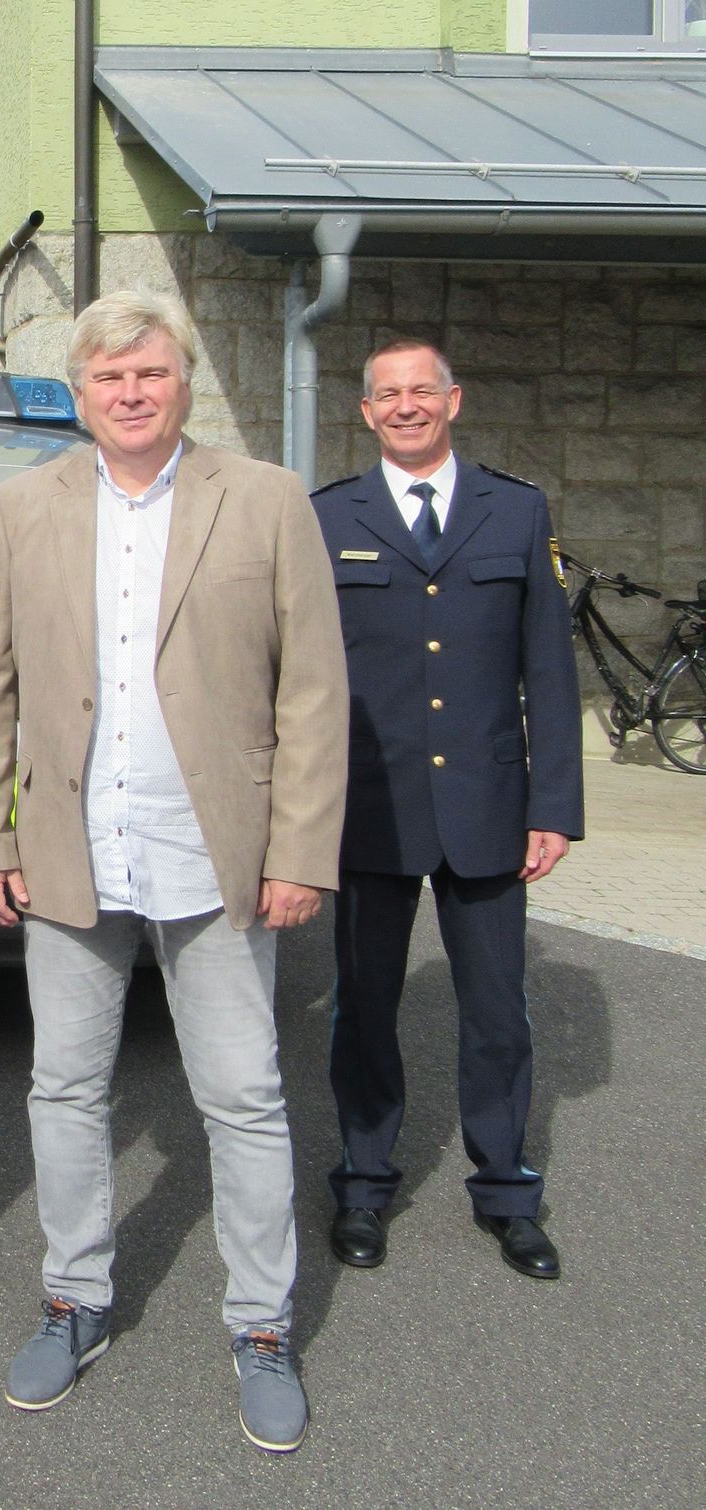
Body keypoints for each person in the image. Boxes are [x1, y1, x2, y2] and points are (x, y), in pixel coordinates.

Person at [0, 290, 348, 1452]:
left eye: (151, 374)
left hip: (220, 857)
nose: (131, 394)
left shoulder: (267, 500)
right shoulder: (26, 507)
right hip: (74, 851)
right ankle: (74, 1299)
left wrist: (298, 852)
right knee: (67, 1088)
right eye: (108, 379)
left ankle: (262, 1325)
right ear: (81, 395)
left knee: (245, 1095)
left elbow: (315, 695)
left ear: (183, 383)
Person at [311, 339, 583, 1281]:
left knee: (498, 1012)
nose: (406, 406)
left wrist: (553, 804)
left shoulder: (518, 509)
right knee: (363, 1009)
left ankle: (507, 1189)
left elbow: (548, 667)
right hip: (369, 809)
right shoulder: (325, 517)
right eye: (387, 394)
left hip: (488, 805)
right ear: (366, 412)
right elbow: (302, 679)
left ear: (454, 401)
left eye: (422, 390)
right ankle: (363, 1181)